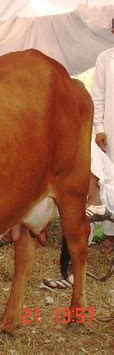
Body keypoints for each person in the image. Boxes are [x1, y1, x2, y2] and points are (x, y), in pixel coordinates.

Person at [90, 47, 114, 253]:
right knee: (109, 179)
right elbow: (97, 96)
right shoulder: (106, 58)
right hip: (111, 132)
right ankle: (110, 234)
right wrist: (98, 128)